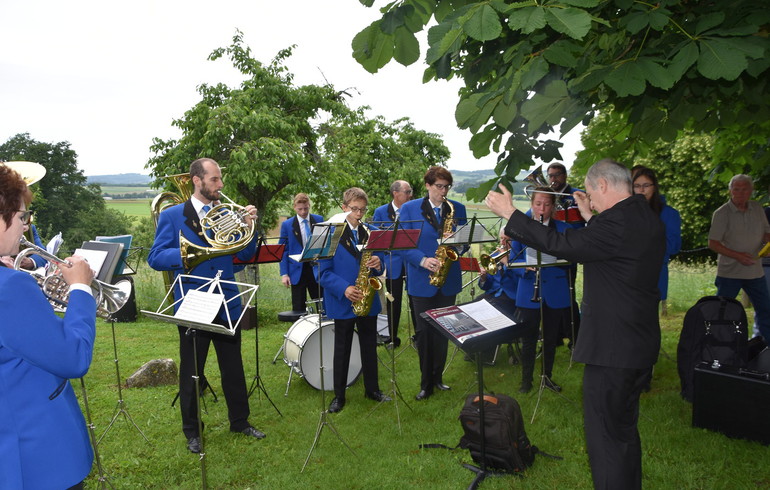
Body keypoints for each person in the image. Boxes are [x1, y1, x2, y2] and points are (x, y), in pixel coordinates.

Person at [485, 158, 664, 489]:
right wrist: (590, 216)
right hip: (638, 343)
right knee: (623, 432)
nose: (589, 200)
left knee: (606, 438)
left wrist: (511, 215)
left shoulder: (616, 225)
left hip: (612, 350)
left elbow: (562, 245)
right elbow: (609, 243)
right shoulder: (644, 216)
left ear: (603, 186)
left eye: (591, 195)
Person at [147, 157, 265, 454]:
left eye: (220, 179)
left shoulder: (227, 214)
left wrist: (249, 224)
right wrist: (188, 255)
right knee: (192, 371)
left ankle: (240, 421)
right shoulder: (173, 216)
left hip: (227, 300)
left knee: (233, 368)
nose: (220, 184)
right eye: (214, 179)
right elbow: (156, 257)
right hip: (193, 303)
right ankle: (192, 432)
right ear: (197, 181)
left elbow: (245, 252)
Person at [0, 164, 98, 489]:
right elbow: (73, 358)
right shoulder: (10, 287)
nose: (26, 229)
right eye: (22, 217)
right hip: (37, 457)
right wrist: (81, 288)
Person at [319, 187, 391, 413]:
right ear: (343, 207)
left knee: (370, 346)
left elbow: (381, 264)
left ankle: (373, 389)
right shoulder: (329, 234)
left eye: (362, 209)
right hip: (343, 299)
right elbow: (322, 273)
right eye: (354, 209)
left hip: (367, 298)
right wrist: (345, 288)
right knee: (342, 349)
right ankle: (339, 396)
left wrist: (380, 264)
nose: (359, 214)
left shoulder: (370, 232)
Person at [400, 166, 467, 401]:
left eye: (447, 187)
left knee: (443, 331)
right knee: (424, 333)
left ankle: (438, 378)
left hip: (448, 280)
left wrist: (459, 245)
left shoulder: (457, 208)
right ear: (427, 186)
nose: (443, 191)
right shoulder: (409, 209)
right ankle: (425, 383)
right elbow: (402, 245)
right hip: (422, 280)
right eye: (439, 186)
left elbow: (465, 242)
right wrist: (422, 260)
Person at [509, 187, 572, 394]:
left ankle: (547, 377)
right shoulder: (521, 228)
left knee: (551, 338)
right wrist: (524, 267)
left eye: (546, 204)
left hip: (554, 289)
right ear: (531, 205)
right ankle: (526, 381)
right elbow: (513, 258)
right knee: (528, 338)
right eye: (538, 204)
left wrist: (556, 259)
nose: (542, 208)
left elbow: (571, 261)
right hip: (529, 289)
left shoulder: (562, 228)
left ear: (553, 207)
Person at [707, 174, 770, 346]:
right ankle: (717, 346)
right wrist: (738, 256)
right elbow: (713, 243)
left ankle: (766, 348)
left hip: (755, 272)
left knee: (766, 310)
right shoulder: (722, 213)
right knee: (722, 312)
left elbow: (766, 233)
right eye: (736, 189)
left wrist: (767, 244)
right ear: (730, 191)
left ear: (751, 191)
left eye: (744, 189)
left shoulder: (757, 208)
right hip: (729, 273)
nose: (740, 193)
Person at [632, 166, 682, 307]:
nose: (641, 190)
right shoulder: (625, 213)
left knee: (648, 323)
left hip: (654, 275)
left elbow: (673, 247)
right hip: (628, 275)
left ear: (654, 187)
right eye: (637, 186)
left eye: (646, 185)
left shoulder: (669, 214)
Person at [372, 179, 413, 347]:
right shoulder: (381, 212)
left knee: (414, 299)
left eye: (410, 192)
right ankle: (392, 337)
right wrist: (380, 262)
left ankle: (419, 337)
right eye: (407, 192)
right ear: (396, 193)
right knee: (393, 302)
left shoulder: (412, 210)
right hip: (392, 263)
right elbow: (376, 239)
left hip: (411, 262)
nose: (411, 195)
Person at [279, 193, 324, 313]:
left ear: (309, 205)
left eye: (306, 208)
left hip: (316, 268)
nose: (303, 212)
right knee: (298, 307)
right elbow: (283, 250)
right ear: (294, 207)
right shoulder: (287, 225)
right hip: (297, 270)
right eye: (300, 209)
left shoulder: (319, 220)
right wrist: (284, 274)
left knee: (322, 302)